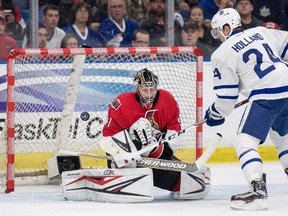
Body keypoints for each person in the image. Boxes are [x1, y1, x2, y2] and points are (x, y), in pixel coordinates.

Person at [205, 8, 288, 210]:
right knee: (281, 136)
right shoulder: (260, 31)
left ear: (227, 27)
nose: (217, 37)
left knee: (244, 140)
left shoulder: (222, 54)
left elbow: (226, 99)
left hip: (267, 94)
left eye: (217, 32)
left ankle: (258, 192)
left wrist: (215, 113)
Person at [102, 68, 210, 200]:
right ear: (137, 88)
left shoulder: (167, 99)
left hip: (155, 155)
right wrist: (124, 154)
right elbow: (108, 137)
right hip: (126, 158)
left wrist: (166, 150)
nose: (148, 95)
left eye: (152, 90)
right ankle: (122, 174)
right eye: (144, 90)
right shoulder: (122, 103)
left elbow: (174, 128)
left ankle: (146, 169)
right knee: (140, 125)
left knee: (192, 185)